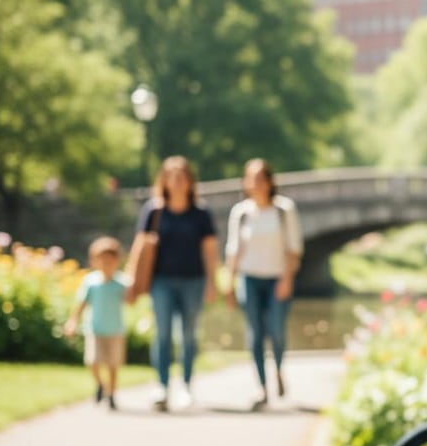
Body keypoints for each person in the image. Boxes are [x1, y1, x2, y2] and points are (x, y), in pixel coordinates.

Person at [129, 155, 218, 412]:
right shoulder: (154, 211)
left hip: (194, 280)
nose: (178, 183)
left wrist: (212, 283)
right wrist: (132, 281)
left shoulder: (201, 214)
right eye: (172, 177)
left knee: (188, 335)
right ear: (164, 181)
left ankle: (187, 385)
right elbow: (139, 246)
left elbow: (210, 251)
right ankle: (162, 385)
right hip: (161, 281)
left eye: (182, 178)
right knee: (163, 333)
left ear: (190, 182)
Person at [225, 159, 304, 410]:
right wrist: (229, 283)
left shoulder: (283, 210)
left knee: (276, 331)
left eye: (261, 178)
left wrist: (287, 279)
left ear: (270, 182)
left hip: (277, 277)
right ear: (246, 183)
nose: (257, 184)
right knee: (255, 333)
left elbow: (294, 248)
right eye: (252, 179)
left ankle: (278, 369)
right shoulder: (241, 213)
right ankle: (262, 386)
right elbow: (234, 250)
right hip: (249, 278)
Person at [64, 236, 129, 411]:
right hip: (95, 329)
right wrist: (73, 321)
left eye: (110, 260)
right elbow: (82, 304)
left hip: (115, 330)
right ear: (94, 261)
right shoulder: (91, 281)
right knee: (92, 361)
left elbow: (130, 300)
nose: (107, 264)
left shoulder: (122, 282)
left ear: (117, 261)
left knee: (113, 365)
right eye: (103, 260)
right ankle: (101, 384)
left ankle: (112, 394)